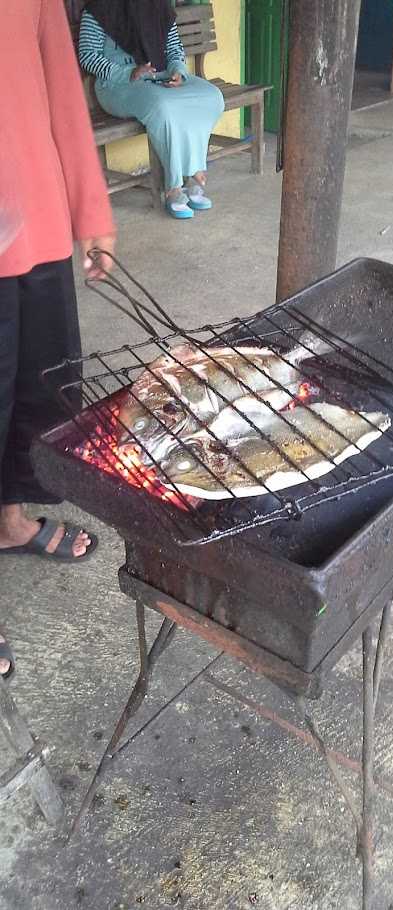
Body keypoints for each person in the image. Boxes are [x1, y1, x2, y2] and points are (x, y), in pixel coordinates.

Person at [0, 0, 116, 621]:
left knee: (40, 390)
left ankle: (9, 521)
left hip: (37, 226)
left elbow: (63, 96)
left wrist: (90, 212)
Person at [79, 0, 225, 220]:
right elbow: (88, 56)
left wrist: (177, 70)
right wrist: (129, 73)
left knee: (212, 97)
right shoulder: (100, 8)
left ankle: (193, 168)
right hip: (118, 85)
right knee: (163, 107)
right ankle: (175, 187)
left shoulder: (158, 6)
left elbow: (174, 48)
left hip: (160, 77)